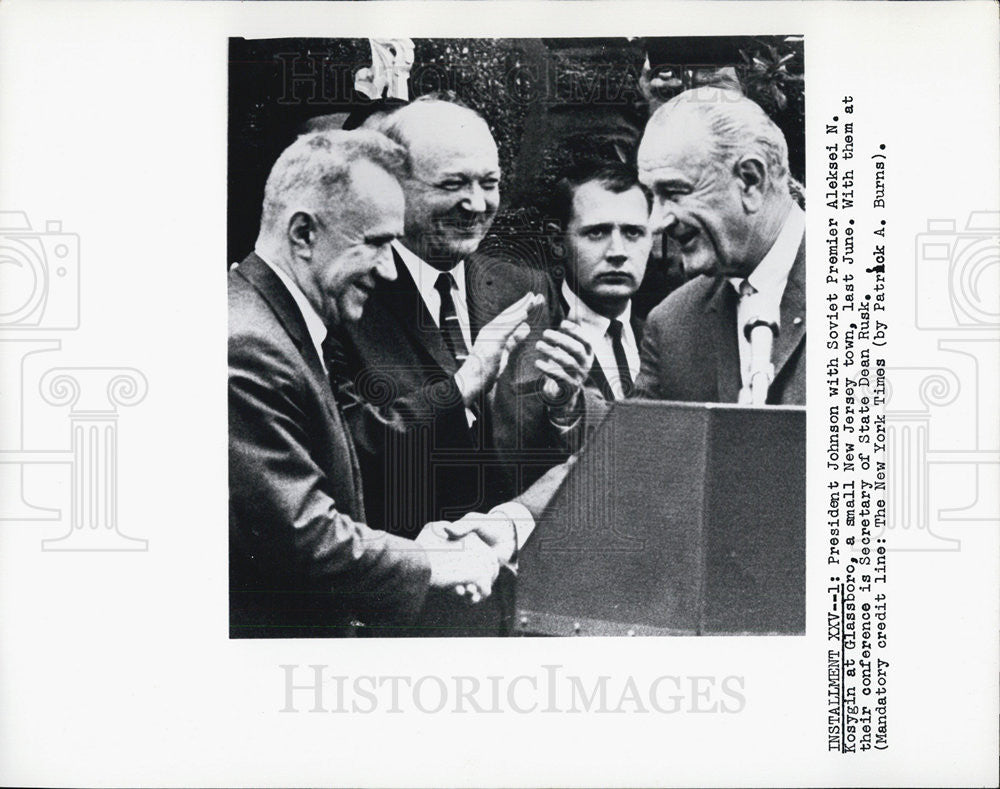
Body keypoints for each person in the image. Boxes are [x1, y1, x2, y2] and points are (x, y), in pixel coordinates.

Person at [229, 129, 549, 638]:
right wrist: (430, 560)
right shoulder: (249, 346)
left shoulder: (272, 324)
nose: (390, 271)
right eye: (376, 245)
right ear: (303, 234)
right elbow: (304, 536)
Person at [336, 98, 588, 634]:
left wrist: (564, 408)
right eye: (453, 185)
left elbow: (553, 456)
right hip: (401, 610)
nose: (476, 204)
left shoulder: (522, 287)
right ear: (393, 186)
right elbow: (345, 453)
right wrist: (461, 387)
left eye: (489, 183)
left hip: (518, 605)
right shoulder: (347, 297)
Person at [634, 86, 805, 405]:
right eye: (651, 197)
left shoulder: (868, 284)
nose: (655, 222)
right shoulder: (672, 325)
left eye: (674, 192)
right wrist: (567, 405)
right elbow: (636, 447)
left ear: (750, 181)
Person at [491, 161, 652, 484]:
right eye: (597, 233)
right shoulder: (526, 343)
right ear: (557, 241)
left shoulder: (662, 335)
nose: (618, 252)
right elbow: (513, 466)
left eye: (633, 233)